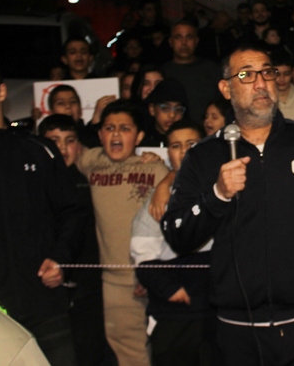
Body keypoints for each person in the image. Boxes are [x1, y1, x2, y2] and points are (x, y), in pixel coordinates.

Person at [161, 44, 294, 365]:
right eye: (246, 75)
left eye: (267, 73)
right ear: (226, 89)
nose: (261, 83)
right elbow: (177, 234)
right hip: (238, 329)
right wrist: (217, 195)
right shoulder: (204, 156)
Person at [0, 60, 85, 365]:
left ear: (1, 92)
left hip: (43, 302)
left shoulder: (39, 149)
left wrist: (60, 258)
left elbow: (73, 212)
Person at [77, 100, 170, 366]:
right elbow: (68, 148)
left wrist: (151, 273)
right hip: (114, 281)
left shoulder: (155, 169)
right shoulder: (92, 161)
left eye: (125, 128)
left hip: (151, 275)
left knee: (166, 349)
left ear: (139, 137)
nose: (116, 134)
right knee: (127, 350)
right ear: (100, 135)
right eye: (109, 128)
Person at [131, 119, 213, 366]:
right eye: (176, 146)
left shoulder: (223, 190)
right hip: (175, 318)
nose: (184, 151)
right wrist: (170, 289)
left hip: (219, 314)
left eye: (191, 144)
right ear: (168, 153)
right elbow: (142, 256)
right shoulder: (157, 201)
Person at [38, 114, 113, 366]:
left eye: (69, 140)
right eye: (54, 141)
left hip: (89, 287)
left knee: (89, 351)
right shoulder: (30, 184)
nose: (62, 147)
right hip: (47, 287)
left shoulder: (92, 178)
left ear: (78, 145)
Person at [160, 20, 223, 123]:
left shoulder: (212, 69)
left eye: (189, 37)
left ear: (196, 41)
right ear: (170, 42)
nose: (184, 43)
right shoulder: (162, 73)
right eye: (178, 37)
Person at [140, 78, 189, 148]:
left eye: (178, 109)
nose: (172, 115)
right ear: (152, 109)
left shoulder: (190, 142)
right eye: (165, 108)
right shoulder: (140, 140)